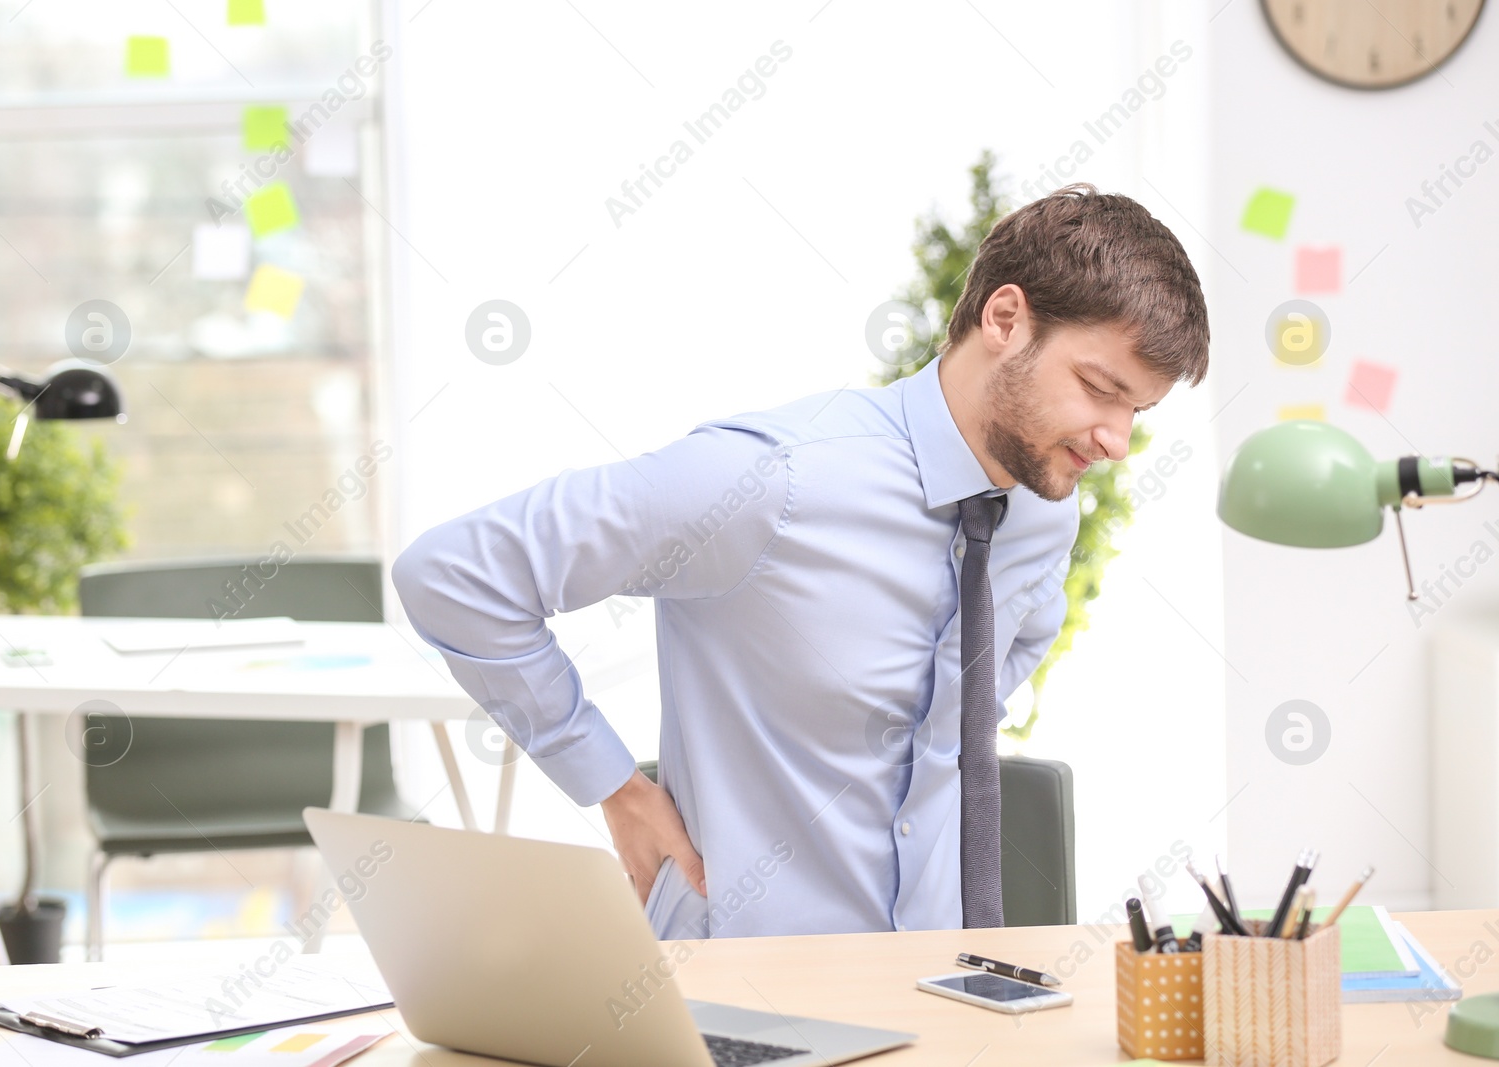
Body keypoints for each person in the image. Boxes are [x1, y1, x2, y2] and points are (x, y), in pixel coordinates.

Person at [392, 182, 1209, 938]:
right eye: (1101, 388)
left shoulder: (1040, 511)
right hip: (743, 993)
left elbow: (1000, 667)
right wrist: (611, 783)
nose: (1116, 441)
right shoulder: (769, 481)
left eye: (1136, 410)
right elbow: (456, 573)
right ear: (1005, 319)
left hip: (940, 993)